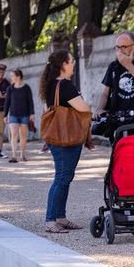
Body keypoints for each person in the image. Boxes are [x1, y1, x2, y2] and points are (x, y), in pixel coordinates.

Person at [39, 49, 92, 234]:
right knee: (62, 177)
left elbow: (47, 110)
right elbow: (83, 108)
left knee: (65, 177)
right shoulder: (65, 85)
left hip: (57, 137)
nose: (74, 64)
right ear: (63, 65)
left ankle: (60, 217)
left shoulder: (51, 85)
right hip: (66, 138)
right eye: (71, 61)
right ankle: (51, 220)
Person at [94, 32, 134, 141]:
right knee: (119, 155)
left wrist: (128, 65)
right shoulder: (113, 66)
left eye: (123, 47)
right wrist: (99, 109)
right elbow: (105, 93)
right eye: (117, 47)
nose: (120, 50)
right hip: (117, 120)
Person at [4, 69, 35, 163]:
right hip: (13, 115)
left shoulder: (26, 88)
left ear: (18, 76)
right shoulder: (10, 88)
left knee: (23, 136)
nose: (11, 78)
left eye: (12, 76)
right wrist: (5, 115)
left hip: (25, 115)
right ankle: (14, 156)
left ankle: (22, 155)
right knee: (14, 135)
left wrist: (32, 113)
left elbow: (30, 101)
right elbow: (7, 102)